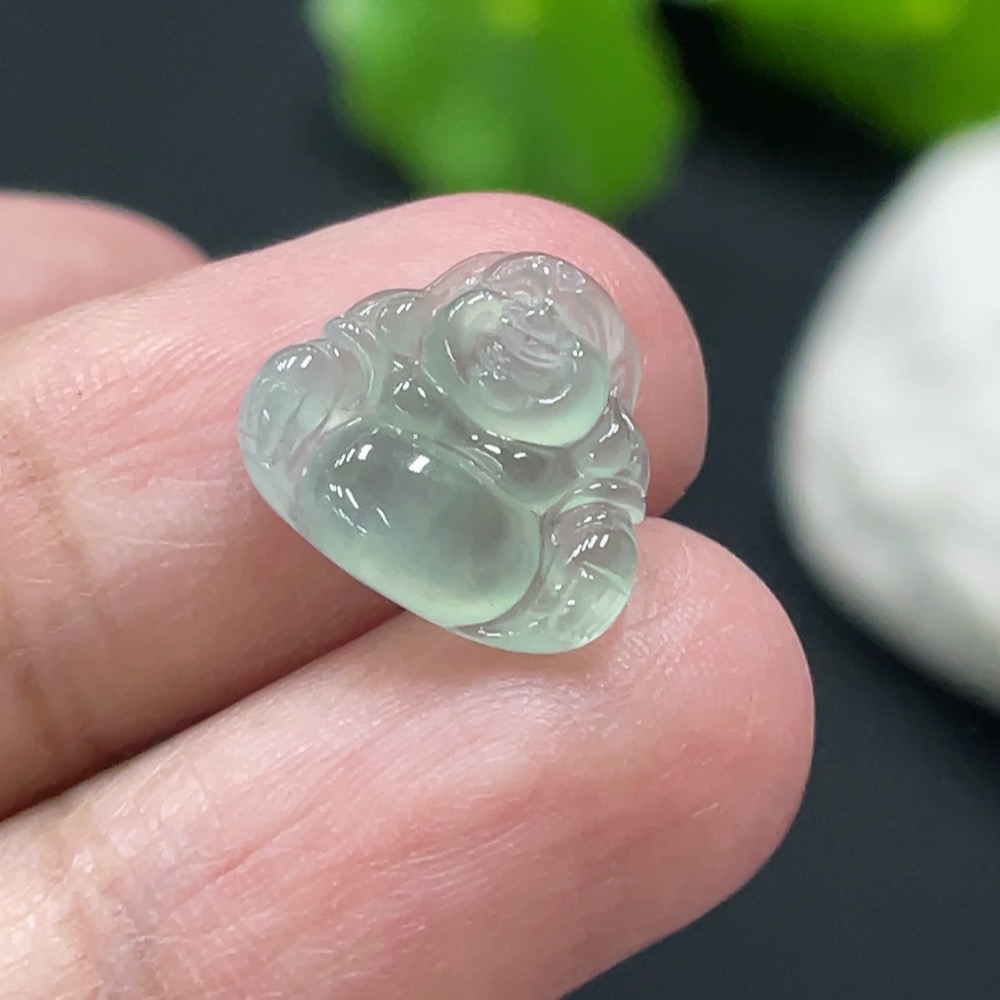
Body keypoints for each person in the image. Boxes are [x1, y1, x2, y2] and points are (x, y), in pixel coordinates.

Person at [0, 190, 813, 999]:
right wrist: (317, 387)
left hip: (498, 546)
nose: (526, 343)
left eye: (553, 340)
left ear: (594, 373)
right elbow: (339, 359)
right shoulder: (402, 329)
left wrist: (585, 544)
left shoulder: (600, 441)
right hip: (363, 467)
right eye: (518, 318)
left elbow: (600, 514)